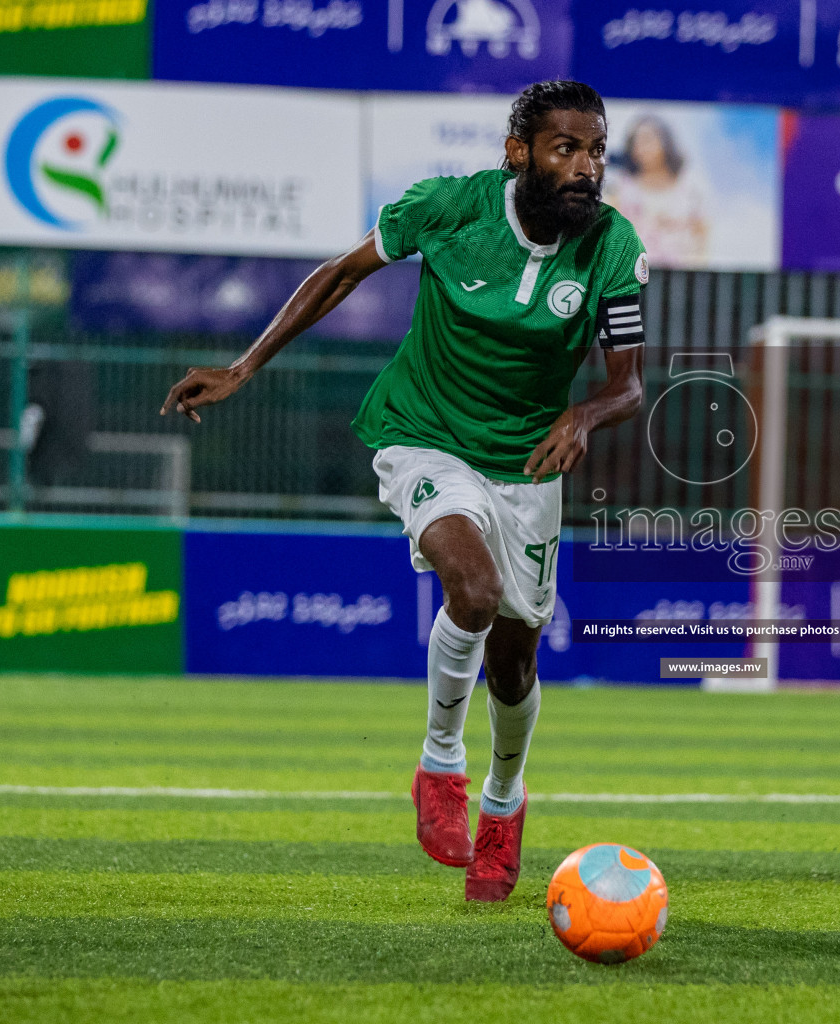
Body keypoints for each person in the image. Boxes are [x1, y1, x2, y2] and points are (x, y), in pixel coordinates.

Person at [161, 81, 649, 903]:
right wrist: (244, 367)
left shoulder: (612, 246)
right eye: (566, 147)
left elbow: (629, 385)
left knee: (517, 662)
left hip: (525, 464)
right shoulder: (448, 208)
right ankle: (439, 764)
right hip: (422, 432)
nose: (585, 167)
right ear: (518, 152)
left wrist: (587, 414)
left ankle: (504, 803)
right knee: (475, 588)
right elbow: (338, 272)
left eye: (596, 150)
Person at [604, 115, 709, 267]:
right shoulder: (620, 187)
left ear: (666, 143)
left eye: (647, 140)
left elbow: (703, 236)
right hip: (631, 274)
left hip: (683, 274)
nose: (641, 148)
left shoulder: (690, 188)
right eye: (636, 142)